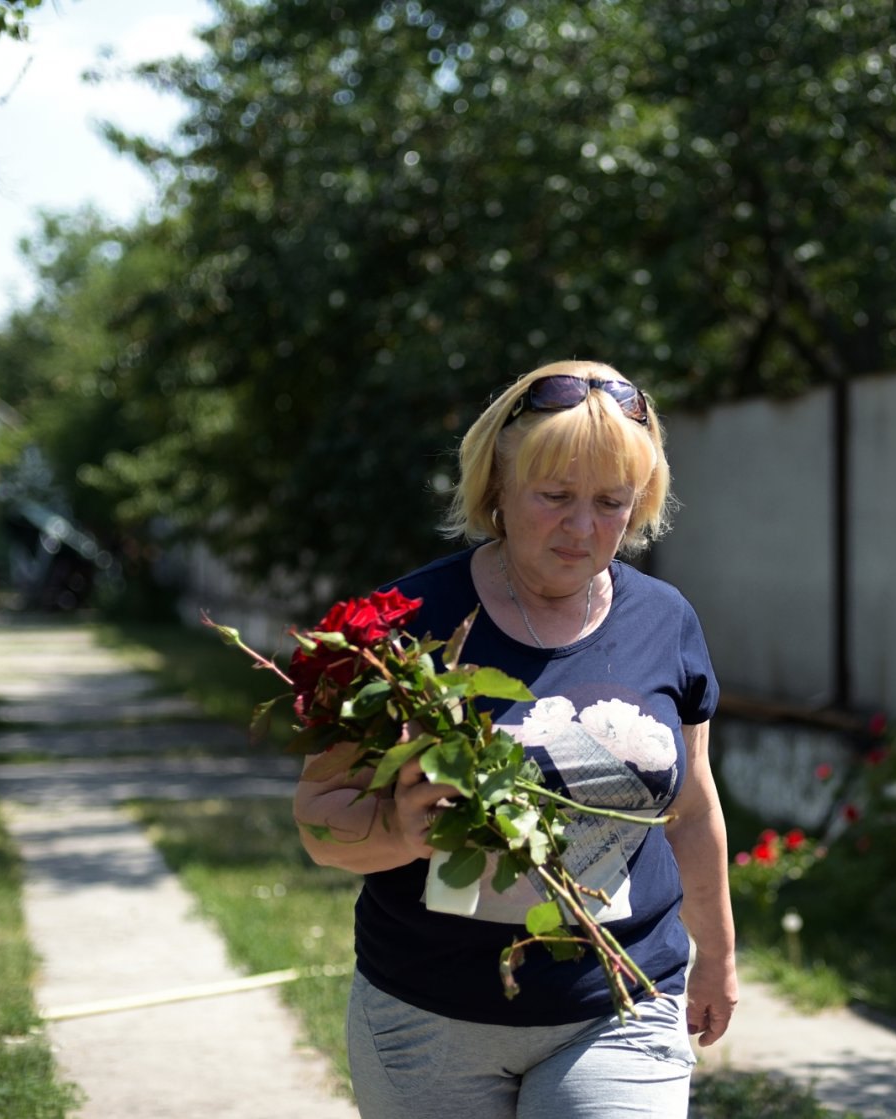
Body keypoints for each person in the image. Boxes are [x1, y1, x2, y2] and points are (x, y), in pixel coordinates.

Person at [294, 359, 737, 1118]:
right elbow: (317, 815)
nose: (583, 527)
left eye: (611, 502)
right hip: (428, 1016)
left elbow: (691, 807)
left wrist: (718, 955)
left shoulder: (667, 621)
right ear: (497, 483)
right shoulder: (407, 624)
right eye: (556, 496)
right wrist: (400, 828)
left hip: (621, 1001)